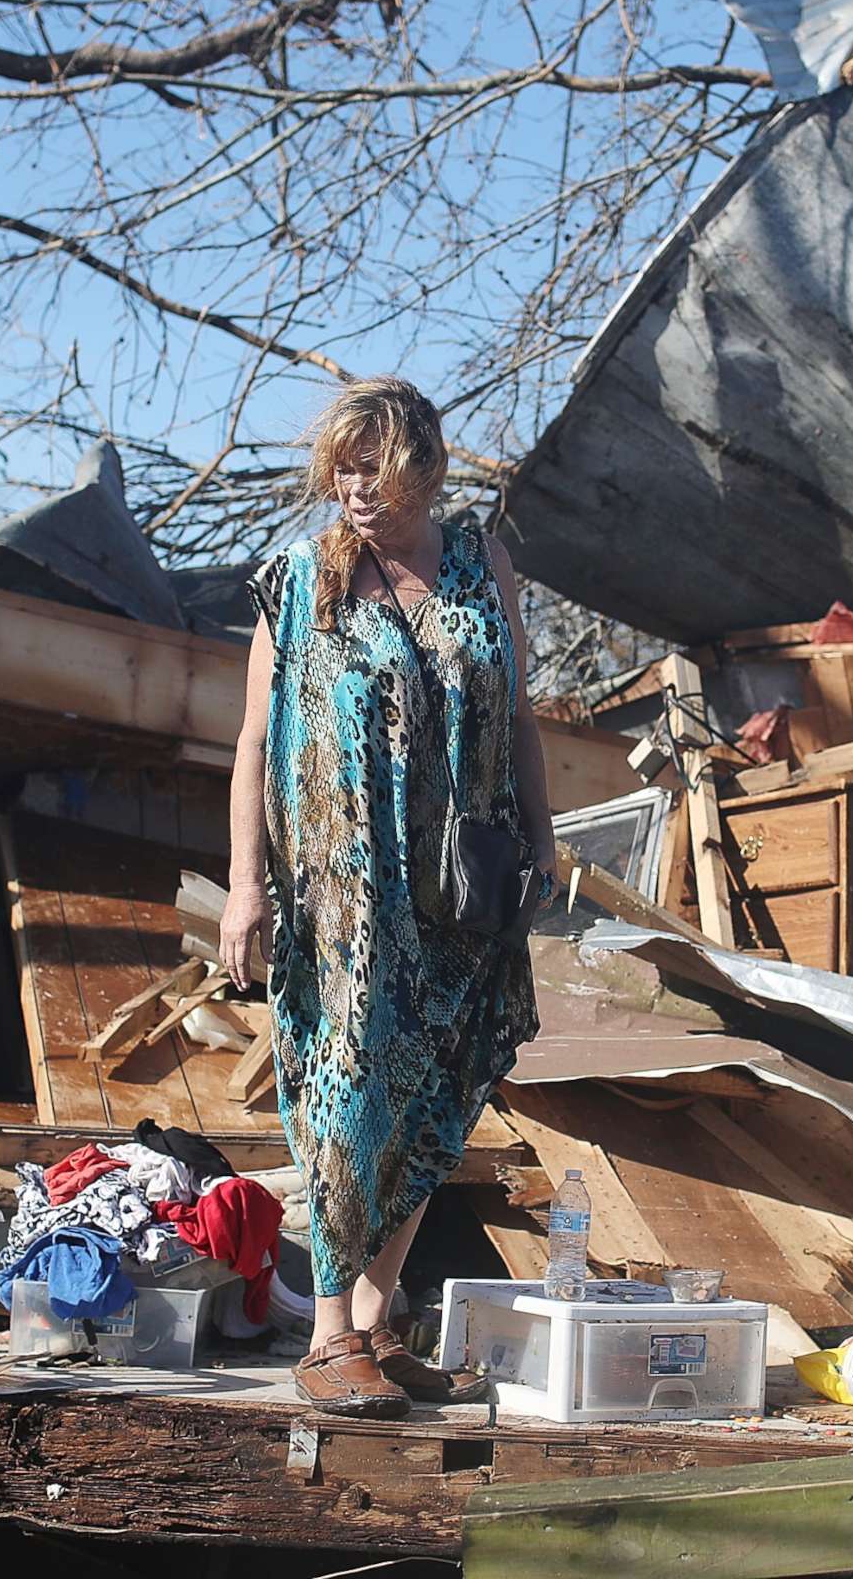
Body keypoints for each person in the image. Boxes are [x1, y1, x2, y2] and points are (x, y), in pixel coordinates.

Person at [221, 376, 558, 1417]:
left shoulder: (478, 564)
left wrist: (543, 833)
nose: (356, 489)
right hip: (345, 889)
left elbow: (518, 713)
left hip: (463, 878)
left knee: (444, 1084)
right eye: (342, 469)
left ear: (425, 467)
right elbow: (253, 740)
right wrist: (245, 886)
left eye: (377, 467)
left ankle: (374, 1317)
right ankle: (327, 1334)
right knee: (351, 1089)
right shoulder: (299, 577)